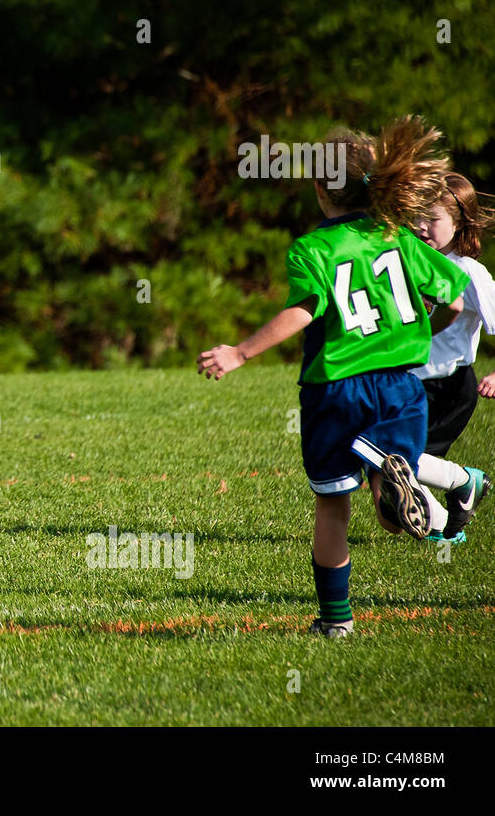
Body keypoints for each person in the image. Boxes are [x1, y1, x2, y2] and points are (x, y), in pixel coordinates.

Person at [197, 118, 469, 638]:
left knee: (332, 504)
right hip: (400, 386)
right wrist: (419, 331)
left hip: (337, 388)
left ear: (321, 189)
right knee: (391, 514)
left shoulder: (312, 249)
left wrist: (241, 352)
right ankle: (393, 481)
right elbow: (454, 300)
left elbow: (304, 309)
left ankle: (336, 621)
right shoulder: (400, 238)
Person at [409, 172, 494, 541]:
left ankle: (465, 482)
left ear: (458, 222)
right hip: (409, 384)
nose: (422, 226)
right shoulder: (412, 263)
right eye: (417, 216)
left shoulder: (469, 273)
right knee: (389, 468)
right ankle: (445, 526)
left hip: (447, 388)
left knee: (394, 458)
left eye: (433, 218)